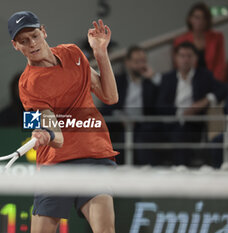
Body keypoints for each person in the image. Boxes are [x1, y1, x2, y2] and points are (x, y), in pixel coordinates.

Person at [8, 11, 119, 233]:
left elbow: (110, 96)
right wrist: (45, 132)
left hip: (94, 155)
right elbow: (56, 137)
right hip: (55, 165)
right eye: (24, 41)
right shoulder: (27, 85)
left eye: (35, 35)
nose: (32, 43)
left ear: (44, 32)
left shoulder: (73, 53)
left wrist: (100, 53)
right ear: (15, 46)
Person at [157, 42, 227, 166]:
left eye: (189, 56)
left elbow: (224, 89)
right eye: (182, 56)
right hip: (170, 122)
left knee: (181, 134)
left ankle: (181, 171)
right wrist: (181, 112)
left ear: (195, 58)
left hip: (193, 124)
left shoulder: (204, 76)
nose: (185, 60)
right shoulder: (168, 78)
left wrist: (205, 100)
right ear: (176, 58)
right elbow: (160, 105)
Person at [103, 45, 162, 165]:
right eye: (136, 62)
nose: (141, 65)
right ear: (128, 63)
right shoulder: (118, 81)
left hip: (145, 125)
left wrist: (154, 79)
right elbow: (107, 106)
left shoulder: (152, 82)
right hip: (121, 125)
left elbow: (162, 103)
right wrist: (120, 117)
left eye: (143, 61)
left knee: (144, 139)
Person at [173, 2, 226, 82]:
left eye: (203, 18)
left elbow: (220, 64)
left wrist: (214, 83)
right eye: (197, 17)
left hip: (213, 79)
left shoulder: (216, 37)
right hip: (191, 81)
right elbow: (179, 66)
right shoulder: (180, 41)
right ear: (190, 19)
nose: (200, 21)